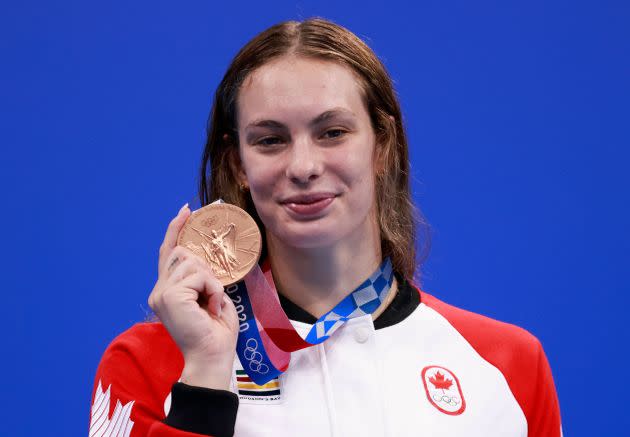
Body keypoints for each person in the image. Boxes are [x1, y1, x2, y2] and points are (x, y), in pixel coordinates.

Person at [89, 17, 562, 437]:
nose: (303, 165)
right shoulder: (148, 362)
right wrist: (206, 379)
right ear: (238, 165)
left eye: (332, 132)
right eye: (271, 140)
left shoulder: (506, 365)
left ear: (382, 146)